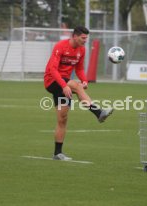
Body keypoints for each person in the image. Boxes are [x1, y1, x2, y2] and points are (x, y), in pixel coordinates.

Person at [44, 26, 113, 161]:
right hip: (52, 80)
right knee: (75, 85)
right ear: (74, 36)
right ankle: (98, 113)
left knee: (62, 118)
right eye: (83, 38)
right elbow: (52, 69)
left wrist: (85, 81)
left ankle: (57, 153)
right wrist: (64, 85)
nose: (85, 40)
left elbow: (79, 68)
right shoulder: (60, 46)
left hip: (65, 84)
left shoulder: (82, 50)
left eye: (86, 38)